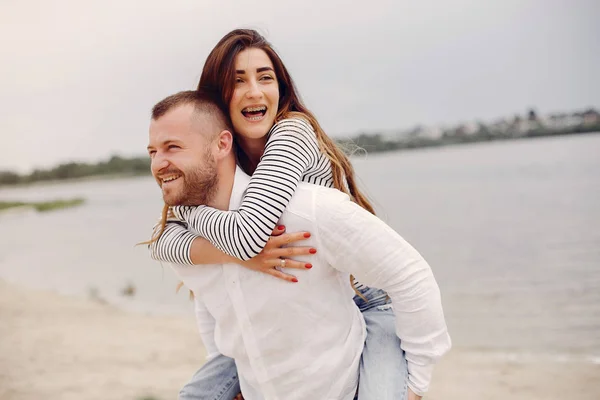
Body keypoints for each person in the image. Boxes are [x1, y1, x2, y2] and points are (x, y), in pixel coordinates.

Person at [146, 29, 417, 399]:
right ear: (215, 100)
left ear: (281, 88)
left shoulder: (292, 132)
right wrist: (237, 257)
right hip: (290, 317)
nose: (254, 91)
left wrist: (196, 216)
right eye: (237, 81)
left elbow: (248, 236)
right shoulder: (218, 163)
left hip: (363, 299)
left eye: (265, 77)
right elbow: (165, 243)